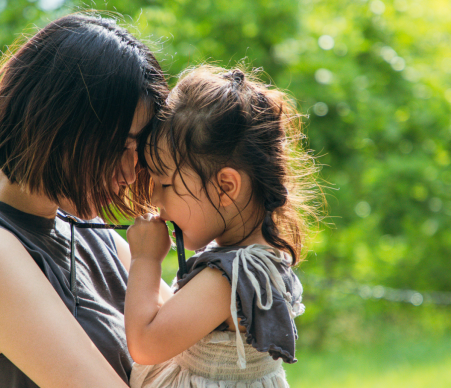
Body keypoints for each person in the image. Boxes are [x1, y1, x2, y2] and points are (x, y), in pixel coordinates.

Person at [0, 13, 170, 387]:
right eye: (119, 146)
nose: (129, 173)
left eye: (138, 150)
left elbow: (202, 348)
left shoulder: (92, 232)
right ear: (58, 122)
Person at [125, 65, 320, 387]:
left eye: (165, 184)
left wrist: (144, 259)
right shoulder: (252, 259)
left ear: (226, 186)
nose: (153, 197)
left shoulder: (229, 276)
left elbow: (145, 345)